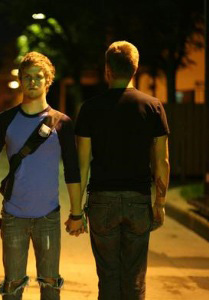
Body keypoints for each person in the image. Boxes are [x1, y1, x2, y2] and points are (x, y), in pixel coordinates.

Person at [0, 52, 84, 300]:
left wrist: (76, 212)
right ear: (21, 81)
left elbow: (72, 170)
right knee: (12, 288)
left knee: (51, 287)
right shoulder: (5, 120)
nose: (33, 82)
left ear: (48, 81)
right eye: (27, 77)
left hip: (48, 217)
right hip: (13, 216)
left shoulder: (62, 123)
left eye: (38, 77)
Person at [75, 41, 170, 300]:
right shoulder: (153, 107)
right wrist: (159, 203)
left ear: (107, 69)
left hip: (102, 201)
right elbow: (162, 161)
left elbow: (82, 164)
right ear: (135, 69)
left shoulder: (90, 109)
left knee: (108, 276)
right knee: (134, 277)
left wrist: (75, 209)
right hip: (138, 200)